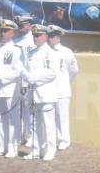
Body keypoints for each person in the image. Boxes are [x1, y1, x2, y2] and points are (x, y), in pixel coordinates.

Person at [0, 19, 24, 158]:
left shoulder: (16, 50)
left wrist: (2, 78)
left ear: (12, 33)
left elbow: (18, 71)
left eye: (6, 31)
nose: (3, 33)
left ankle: (13, 147)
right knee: (0, 119)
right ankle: (1, 146)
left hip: (10, 89)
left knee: (12, 120)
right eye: (1, 31)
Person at [21, 24, 58, 161]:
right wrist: (26, 77)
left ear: (46, 36)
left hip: (46, 94)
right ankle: (36, 150)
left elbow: (52, 73)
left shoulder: (50, 53)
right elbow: (24, 70)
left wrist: (34, 78)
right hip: (32, 94)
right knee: (34, 124)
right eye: (34, 35)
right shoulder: (31, 53)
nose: (35, 38)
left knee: (48, 124)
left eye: (38, 35)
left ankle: (50, 149)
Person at [47, 25, 79, 150]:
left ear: (58, 38)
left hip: (62, 90)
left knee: (62, 117)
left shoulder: (66, 52)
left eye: (53, 37)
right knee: (50, 116)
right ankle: (51, 139)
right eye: (49, 37)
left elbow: (74, 70)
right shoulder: (45, 51)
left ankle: (64, 140)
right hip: (48, 90)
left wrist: (66, 81)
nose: (50, 39)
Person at [14, 14, 35, 145]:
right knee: (18, 110)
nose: (21, 28)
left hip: (29, 79)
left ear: (30, 25)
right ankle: (20, 135)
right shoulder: (15, 40)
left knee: (30, 111)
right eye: (20, 25)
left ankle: (31, 136)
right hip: (17, 79)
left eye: (23, 25)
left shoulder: (34, 40)